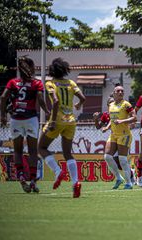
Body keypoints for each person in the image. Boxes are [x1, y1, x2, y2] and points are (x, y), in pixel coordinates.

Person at [0, 57, 50, 193]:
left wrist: (3, 115)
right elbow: (40, 99)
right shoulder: (36, 83)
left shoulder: (12, 82)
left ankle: (21, 176)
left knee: (17, 150)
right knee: (33, 151)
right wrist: (47, 111)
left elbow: (3, 97)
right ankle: (33, 180)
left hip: (16, 119)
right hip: (31, 118)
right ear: (32, 68)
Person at [38, 58, 86, 198]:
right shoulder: (71, 83)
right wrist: (77, 105)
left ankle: (58, 171)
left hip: (57, 120)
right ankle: (76, 183)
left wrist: (52, 120)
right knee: (68, 153)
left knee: (41, 148)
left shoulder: (50, 83)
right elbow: (83, 98)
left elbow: (56, 101)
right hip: (70, 121)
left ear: (52, 71)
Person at [102, 86, 137, 190]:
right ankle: (118, 178)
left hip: (124, 134)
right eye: (118, 91)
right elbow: (112, 120)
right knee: (107, 157)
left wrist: (122, 121)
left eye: (122, 91)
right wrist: (107, 127)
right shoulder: (111, 105)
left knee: (122, 159)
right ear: (114, 93)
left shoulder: (126, 105)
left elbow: (135, 118)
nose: (120, 92)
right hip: (113, 134)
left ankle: (129, 183)